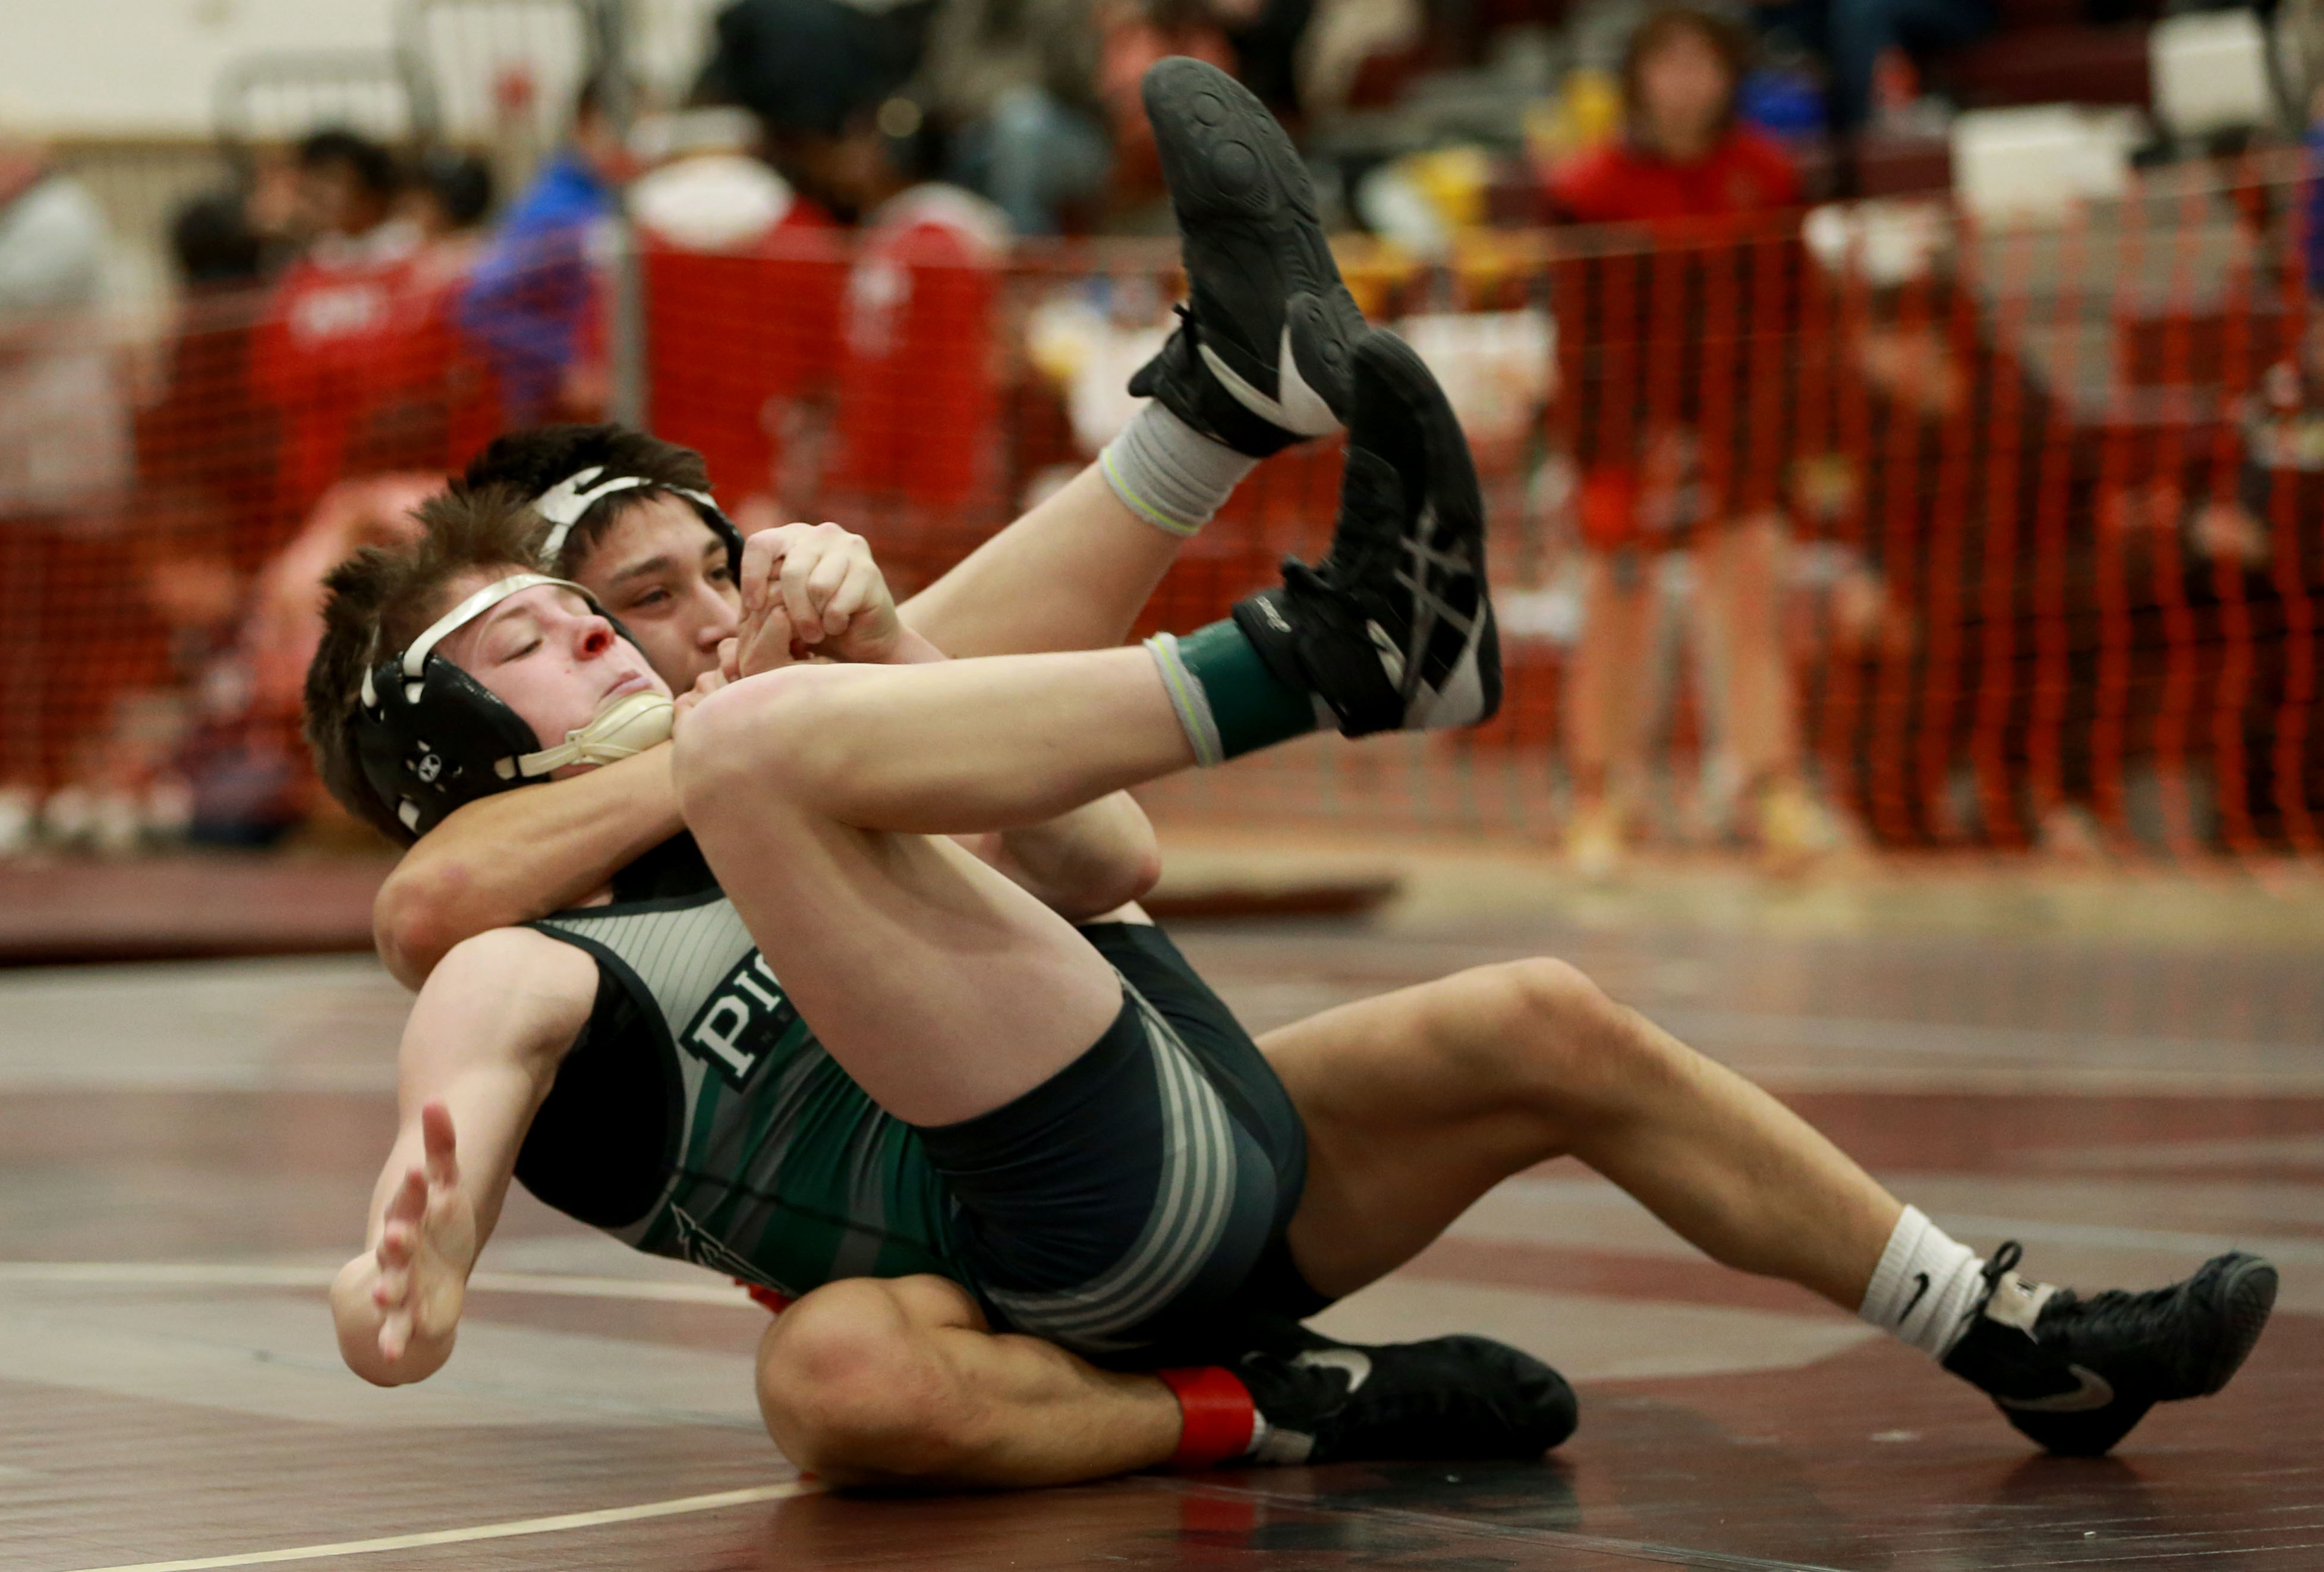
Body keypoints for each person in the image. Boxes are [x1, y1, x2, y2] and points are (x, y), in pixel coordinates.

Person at [314, 59, 2275, 1488]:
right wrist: (429, 1240)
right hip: (1010, 1269)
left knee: (1545, 1016)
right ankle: (1283, 1385)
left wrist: (891, 648)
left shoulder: (773, 724)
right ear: (473, 724)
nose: (686, 613)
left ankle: (2008, 1330)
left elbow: (1105, 853)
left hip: (1168, 1106)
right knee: (837, 1375)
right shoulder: (553, 867)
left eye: (695, 571)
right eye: (614, 609)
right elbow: (440, 928)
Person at [1546, 8, 1834, 875]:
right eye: (1664, 65)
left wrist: (1757, 435)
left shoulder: (1767, 174)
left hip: (1741, 430)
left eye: (1699, 64)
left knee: (1750, 609)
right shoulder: (1587, 187)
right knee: (1615, 616)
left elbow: (1795, 320)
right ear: (1636, 78)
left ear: (1725, 75)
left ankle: (1770, 789)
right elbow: (1575, 332)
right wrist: (1622, 444)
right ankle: (1601, 798)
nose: (1682, 83)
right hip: (1619, 437)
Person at [457, 76, 638, 425]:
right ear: (588, 121)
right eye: (626, 127)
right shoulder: (552, 213)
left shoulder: (612, 198)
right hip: (550, 416)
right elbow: (477, 304)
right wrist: (567, 359)